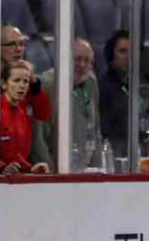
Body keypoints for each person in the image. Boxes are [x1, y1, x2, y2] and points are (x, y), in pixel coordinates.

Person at [31, 38, 102, 172]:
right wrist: (53, 177)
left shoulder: (91, 82)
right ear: (64, 58)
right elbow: (37, 140)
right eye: (77, 59)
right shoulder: (46, 85)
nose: (81, 65)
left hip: (84, 172)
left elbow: (95, 130)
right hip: (55, 173)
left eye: (87, 60)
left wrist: (97, 170)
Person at [0, 60, 50, 174]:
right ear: (4, 84)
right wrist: (1, 168)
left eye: (26, 81)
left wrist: (29, 168)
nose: (22, 85)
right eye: (16, 80)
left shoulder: (21, 112)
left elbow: (15, 154)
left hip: (6, 175)